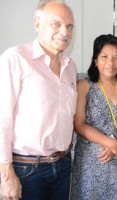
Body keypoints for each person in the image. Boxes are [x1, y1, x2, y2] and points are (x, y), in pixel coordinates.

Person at [0, 1, 77, 199]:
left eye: (69, 26)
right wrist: (6, 173)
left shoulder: (70, 66)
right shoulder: (15, 58)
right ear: (37, 24)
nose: (64, 31)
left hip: (62, 164)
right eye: (56, 24)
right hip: (27, 170)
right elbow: (3, 119)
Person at [71, 34, 117, 200]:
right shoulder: (84, 86)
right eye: (105, 56)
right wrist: (111, 143)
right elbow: (79, 125)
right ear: (95, 60)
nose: (111, 62)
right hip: (91, 164)